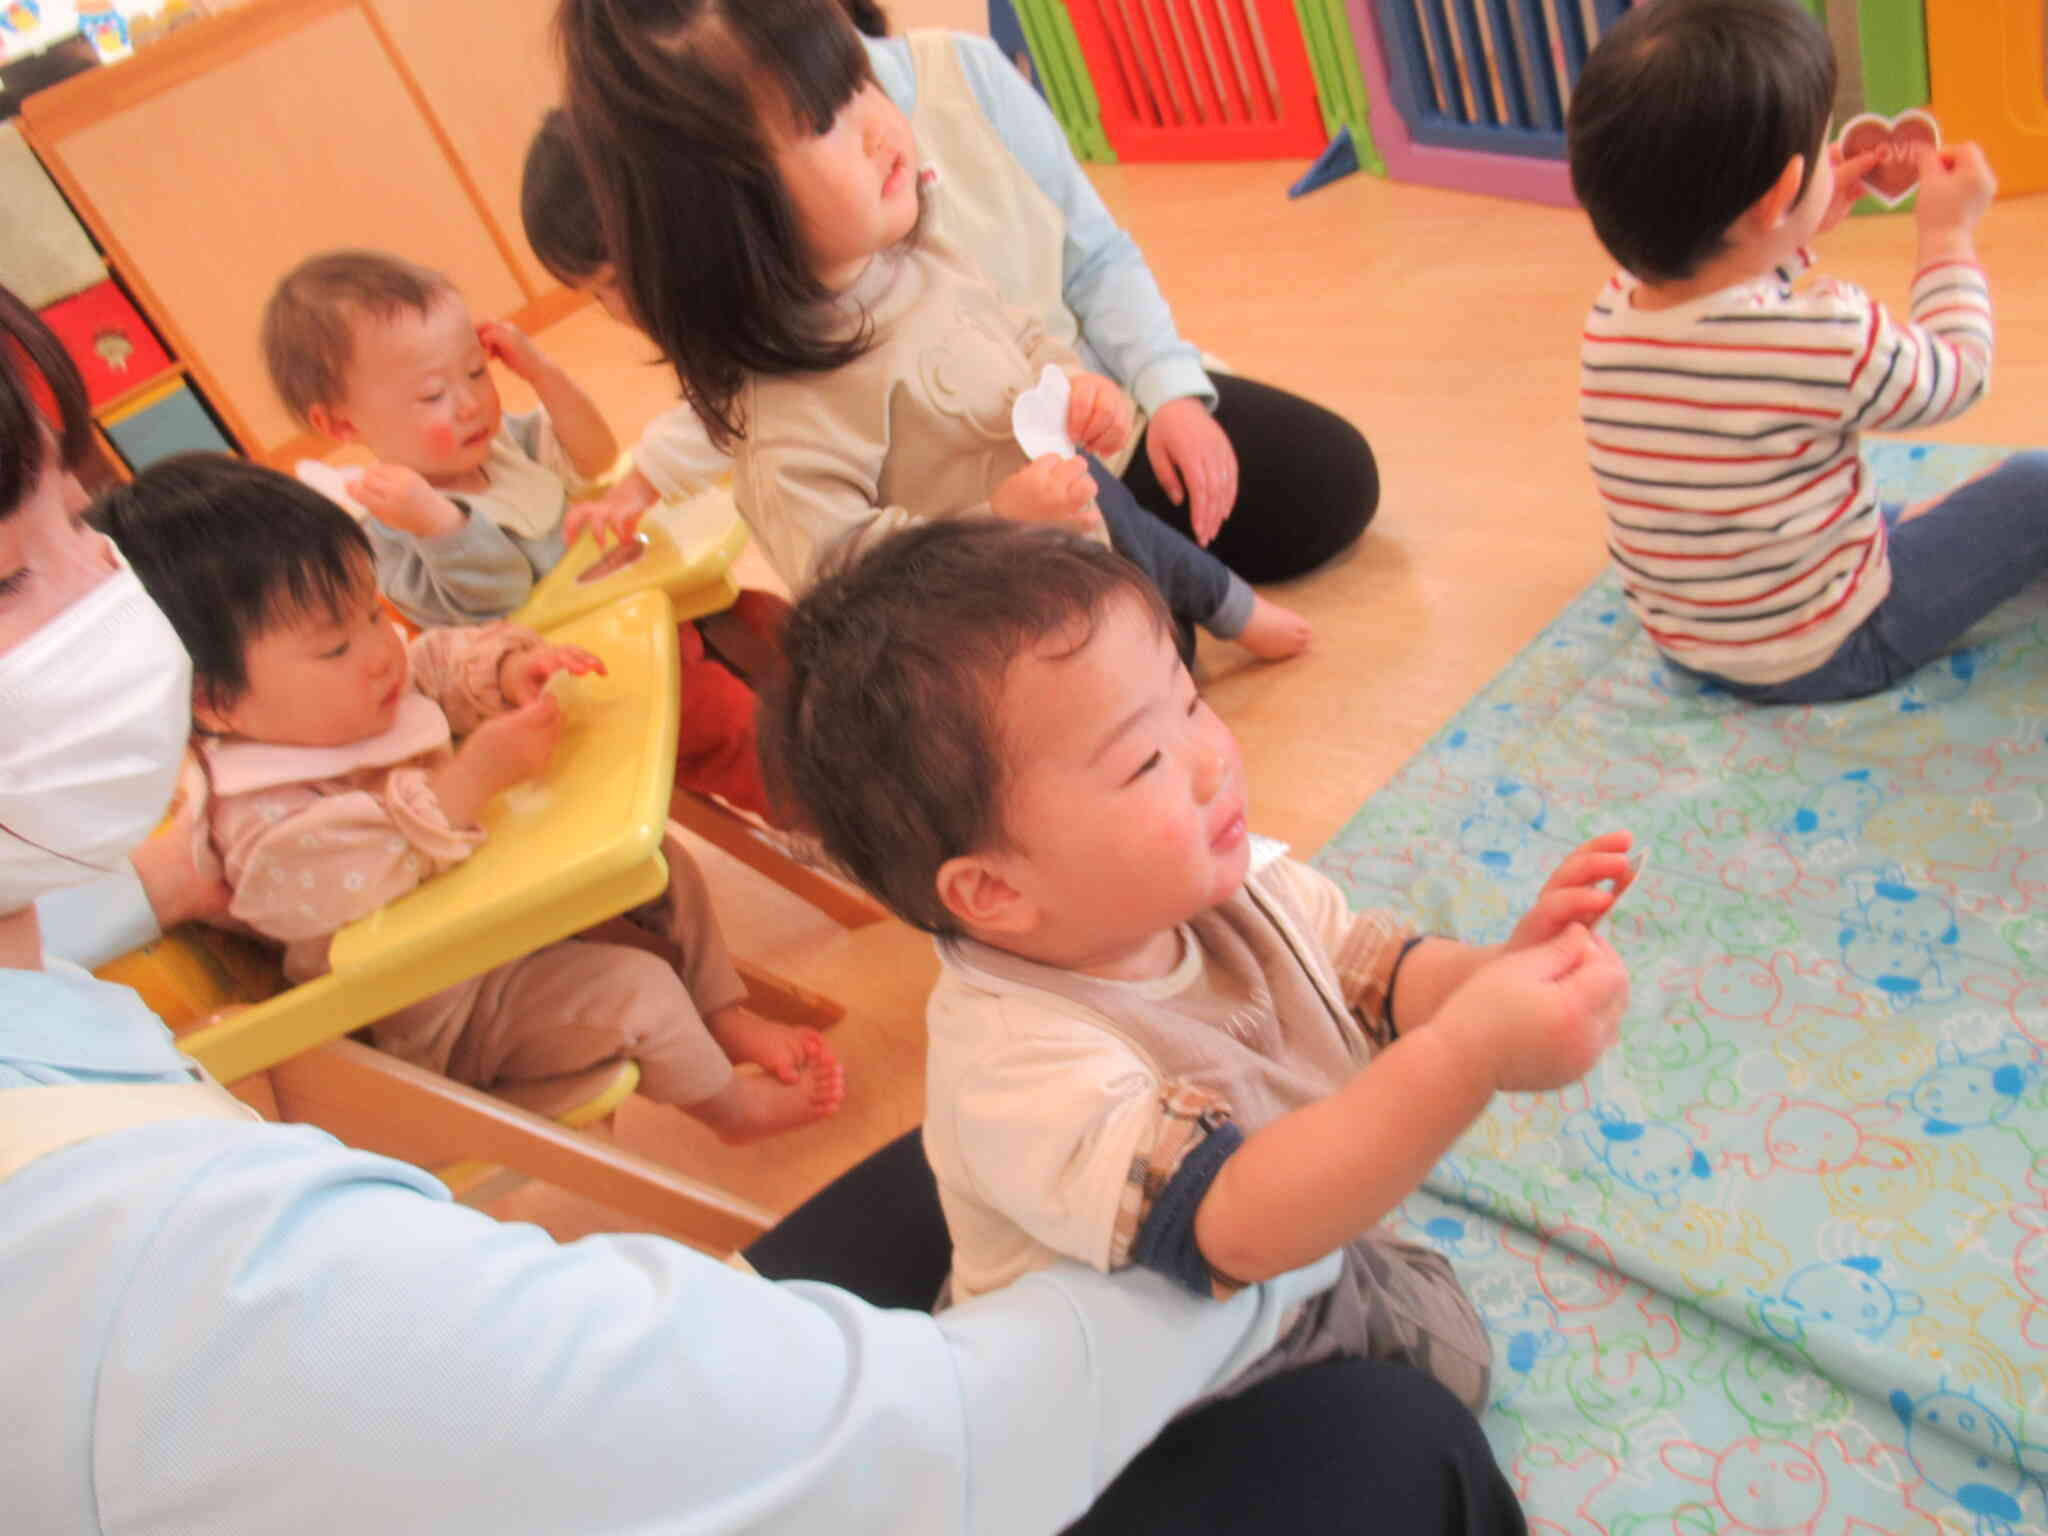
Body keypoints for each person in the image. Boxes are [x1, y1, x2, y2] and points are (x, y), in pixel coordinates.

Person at [0, 276, 1530, 1534]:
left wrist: (1474, 980)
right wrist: (1391, 1129)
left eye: (82, 505)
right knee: (1392, 1445)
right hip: (1189, 1284)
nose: (109, 591)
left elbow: (1360, 955)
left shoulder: (67, 1000)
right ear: (988, 890)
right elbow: (944, 1434)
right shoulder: (155, 1272)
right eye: (20, 574)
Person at [761, 517, 1633, 1421]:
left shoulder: (1219, 879)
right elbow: (1236, 1224)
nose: (1213, 759)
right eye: (1146, 760)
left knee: (1444, 1346)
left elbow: (1373, 971)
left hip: (1280, 1251)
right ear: (993, 891)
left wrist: (1495, 976)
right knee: (1424, 1403)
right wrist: (1468, 1056)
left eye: (1189, 700)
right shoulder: (1018, 1066)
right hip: (1140, 1381)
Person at [92, 453, 842, 1140]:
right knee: (637, 986)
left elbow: (435, 662)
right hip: (449, 1011)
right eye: (336, 646)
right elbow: (331, 887)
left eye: (371, 612)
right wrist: (468, 782)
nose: (379, 649)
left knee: (661, 867)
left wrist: (512, 668)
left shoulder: (360, 695)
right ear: (218, 702)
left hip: (518, 926)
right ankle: (726, 1108)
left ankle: (724, 1015)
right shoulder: (251, 815)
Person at [550, 0, 1313, 662]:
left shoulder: (914, 248)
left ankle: (1232, 610)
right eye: (823, 122)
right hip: (1002, 615)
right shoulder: (787, 415)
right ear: (724, 220)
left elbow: (1013, 330)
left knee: (1134, 527)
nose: (882, 129)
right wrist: (1001, 526)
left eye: (857, 84)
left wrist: (1073, 382)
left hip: (1077, 523)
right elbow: (850, 577)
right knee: (1125, 671)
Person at [1568, 0, 2048, 705]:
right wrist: (1948, 235)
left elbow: (1729, 315)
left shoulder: (1614, 310)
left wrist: (1789, 228)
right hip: (1832, 647)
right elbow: (1958, 375)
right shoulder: (1827, 337)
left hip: (1692, 632)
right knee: (2037, 486)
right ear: (1778, 196)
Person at [262, 248, 783, 817]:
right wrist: (441, 524)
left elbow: (593, 456)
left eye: (476, 372)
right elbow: (500, 599)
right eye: (434, 394)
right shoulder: (386, 525)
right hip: (591, 681)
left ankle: (868, 744)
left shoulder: (502, 443)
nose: (469, 404)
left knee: (777, 629)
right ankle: (844, 816)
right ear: (340, 423)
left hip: (648, 610)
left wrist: (542, 372)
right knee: (733, 727)